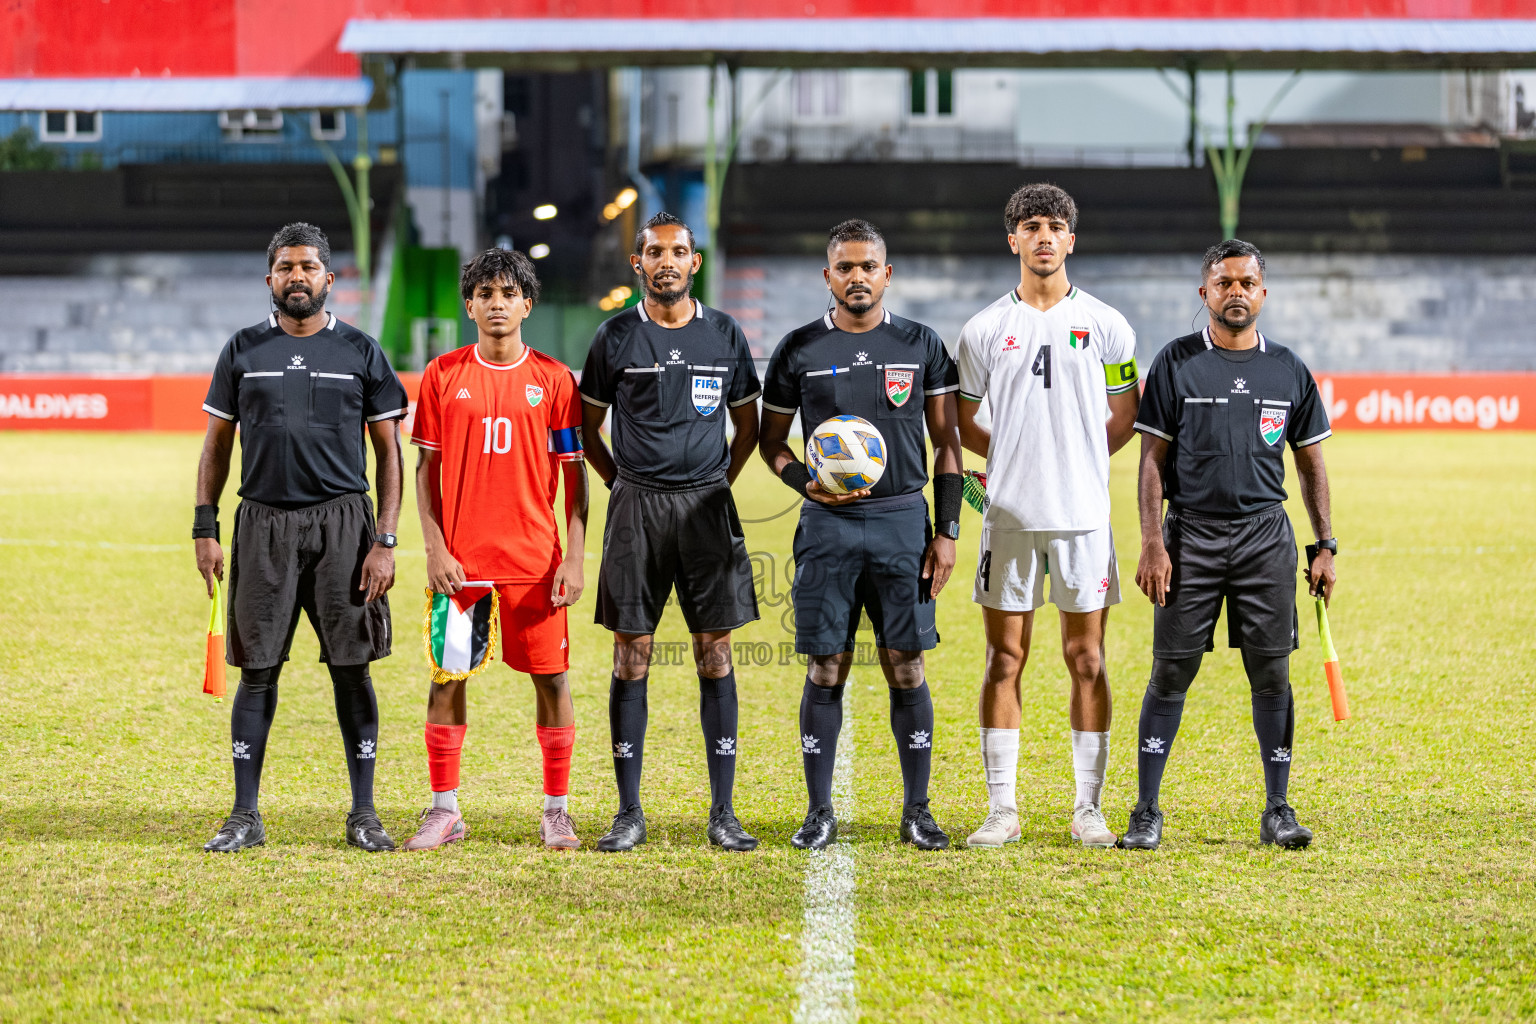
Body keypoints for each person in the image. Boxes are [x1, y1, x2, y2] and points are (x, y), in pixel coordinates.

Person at [194, 222, 407, 853]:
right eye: (286, 267)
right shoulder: (242, 350)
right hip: (262, 524)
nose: (297, 277)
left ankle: (364, 814)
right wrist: (205, 529)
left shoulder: (362, 353)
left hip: (346, 525)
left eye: (308, 267)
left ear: (329, 280)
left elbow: (391, 456)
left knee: (352, 668)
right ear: (270, 280)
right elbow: (216, 447)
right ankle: (244, 816)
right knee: (257, 672)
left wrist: (385, 541)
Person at [1123, 238, 1337, 851]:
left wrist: (1325, 544)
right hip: (1189, 535)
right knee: (1171, 672)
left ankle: (1278, 810)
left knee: (1271, 673)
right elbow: (1150, 463)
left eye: (1247, 283)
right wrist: (1151, 542)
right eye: (1224, 283)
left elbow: (1312, 464)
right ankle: (1147, 812)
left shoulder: (1289, 369)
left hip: (1265, 537)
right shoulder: (1175, 362)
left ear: (1263, 293)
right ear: (1205, 293)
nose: (1236, 292)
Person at [759, 219, 964, 851]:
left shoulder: (922, 343)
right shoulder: (797, 349)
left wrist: (948, 531)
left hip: (905, 521)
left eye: (867, 266)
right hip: (828, 525)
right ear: (828, 276)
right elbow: (770, 446)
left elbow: (949, 445)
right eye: (844, 267)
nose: (857, 278)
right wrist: (804, 485)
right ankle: (819, 811)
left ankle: (917, 811)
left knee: (907, 663)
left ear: (886, 274)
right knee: (827, 666)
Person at [955, 184, 1141, 850]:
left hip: (1084, 518)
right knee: (1005, 658)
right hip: (1006, 517)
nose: (1042, 236)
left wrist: (1080, 461)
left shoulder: (1110, 325)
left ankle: (1087, 808)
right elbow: (962, 421)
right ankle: (1002, 809)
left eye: (1054, 226)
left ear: (1071, 239)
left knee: (1085, 657)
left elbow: (1125, 413)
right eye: (1030, 226)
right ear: (1012, 239)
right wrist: (1008, 462)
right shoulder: (982, 330)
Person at [579, 213, 764, 853]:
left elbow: (749, 429)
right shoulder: (613, 337)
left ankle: (724, 812)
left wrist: (717, 483)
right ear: (638, 263)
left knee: (715, 652)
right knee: (632, 653)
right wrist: (620, 485)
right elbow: (584, 430)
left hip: (707, 509)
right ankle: (629, 812)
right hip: (636, 510)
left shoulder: (725, 333)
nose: (667, 261)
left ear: (695, 262)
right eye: (655, 252)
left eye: (679, 252)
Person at [401, 248, 589, 852]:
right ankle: (444, 809)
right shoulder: (442, 374)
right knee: (446, 680)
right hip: (462, 566)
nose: (497, 303)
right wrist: (435, 550)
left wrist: (575, 556)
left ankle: (557, 811)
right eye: (485, 293)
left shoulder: (556, 381)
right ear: (469, 305)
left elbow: (575, 476)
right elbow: (424, 470)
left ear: (527, 305)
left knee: (552, 681)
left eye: (508, 293)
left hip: (535, 564)